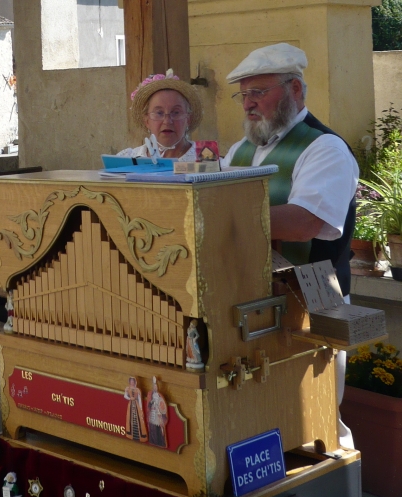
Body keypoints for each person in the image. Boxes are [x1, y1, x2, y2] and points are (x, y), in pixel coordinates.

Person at [223, 42, 358, 448]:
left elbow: (305, 222)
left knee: (316, 420)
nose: (248, 104)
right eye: (243, 95)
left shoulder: (324, 147)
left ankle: (334, 481)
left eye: (258, 92)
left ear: (295, 90)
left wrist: (222, 220)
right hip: (252, 298)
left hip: (313, 298)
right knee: (262, 412)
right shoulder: (240, 150)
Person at [116, 70, 203, 161]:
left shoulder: (205, 158)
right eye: (159, 113)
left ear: (188, 119)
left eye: (176, 112)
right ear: (147, 120)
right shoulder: (127, 158)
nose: (167, 121)